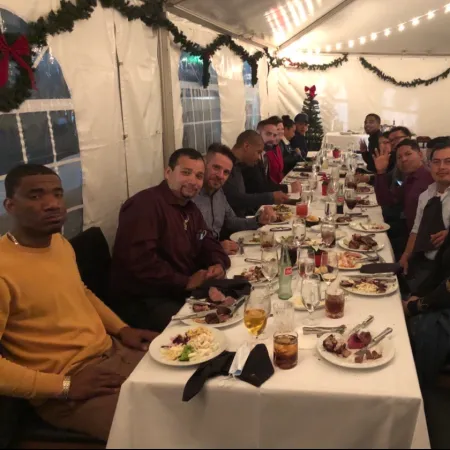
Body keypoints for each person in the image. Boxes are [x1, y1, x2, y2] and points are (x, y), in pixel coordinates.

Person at [0, 164, 158, 442]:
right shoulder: (4, 268)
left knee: (192, 391)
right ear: (10, 205)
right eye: (35, 196)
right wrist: (64, 386)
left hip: (113, 352)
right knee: (156, 432)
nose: (52, 204)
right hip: (68, 383)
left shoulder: (59, 244)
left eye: (57, 194)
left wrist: (122, 329)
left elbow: (81, 292)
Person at [111, 148, 230, 332]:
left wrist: (218, 262)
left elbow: (207, 240)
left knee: (233, 306)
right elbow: (141, 263)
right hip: (146, 300)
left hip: (179, 291)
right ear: (168, 172)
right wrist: (186, 282)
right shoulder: (144, 205)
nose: (193, 181)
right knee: (206, 329)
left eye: (199, 176)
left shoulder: (189, 208)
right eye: (186, 172)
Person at [193, 143, 276, 255]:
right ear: (204, 165)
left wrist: (258, 220)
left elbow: (232, 221)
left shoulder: (219, 193)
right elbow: (186, 245)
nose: (221, 176)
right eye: (216, 167)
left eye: (226, 172)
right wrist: (217, 248)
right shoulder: (191, 197)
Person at [399, 141, 450, 288]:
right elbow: (416, 230)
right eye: (436, 162)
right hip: (423, 264)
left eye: (448, 162)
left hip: (443, 276)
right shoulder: (426, 195)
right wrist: (405, 256)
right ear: (429, 165)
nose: (441, 167)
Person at [223, 130, 291, 217]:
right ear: (246, 146)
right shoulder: (227, 166)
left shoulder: (239, 165)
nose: (259, 158)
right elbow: (236, 199)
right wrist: (271, 197)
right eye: (258, 152)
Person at [374, 139, 433, 234]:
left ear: (420, 155)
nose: (404, 159)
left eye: (408, 154)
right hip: (408, 230)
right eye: (399, 157)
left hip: (423, 238)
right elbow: (386, 201)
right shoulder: (409, 179)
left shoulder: (431, 178)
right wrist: (381, 172)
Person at [259, 117, 285, 184]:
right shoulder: (255, 154)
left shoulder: (276, 147)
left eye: (282, 129)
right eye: (268, 134)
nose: (281, 131)